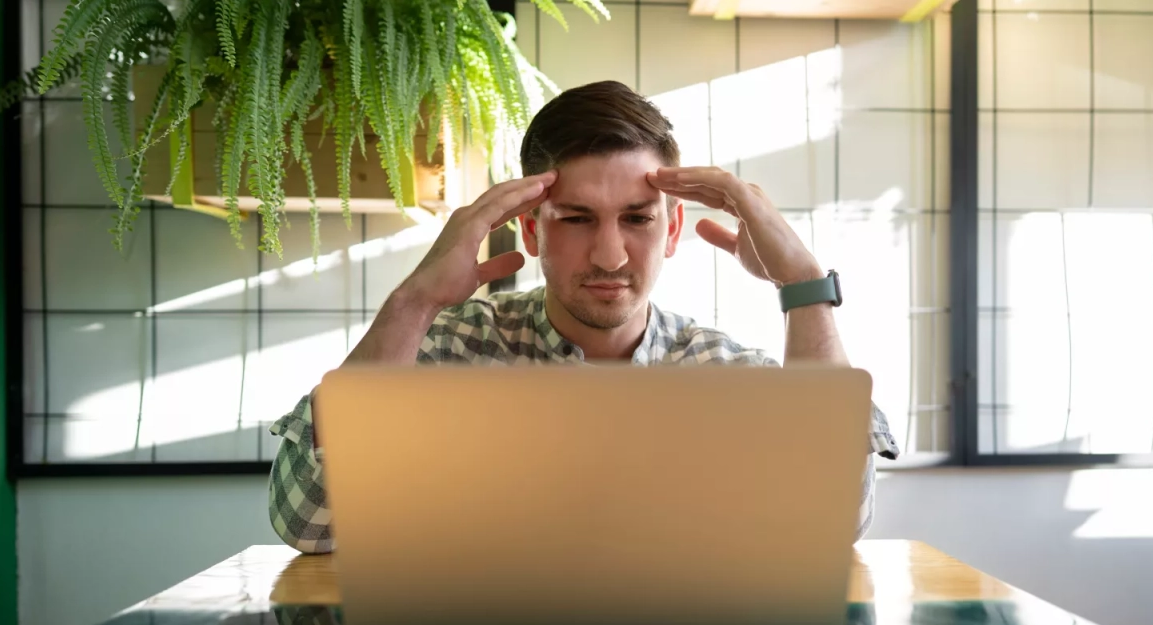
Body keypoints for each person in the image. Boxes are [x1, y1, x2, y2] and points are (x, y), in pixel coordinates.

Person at [268, 80, 898, 555]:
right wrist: (413, 303)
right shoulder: (441, 352)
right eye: (576, 218)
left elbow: (832, 519)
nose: (610, 254)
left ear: (672, 227)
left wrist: (804, 286)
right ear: (530, 229)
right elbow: (308, 522)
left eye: (636, 217)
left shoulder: (723, 370)